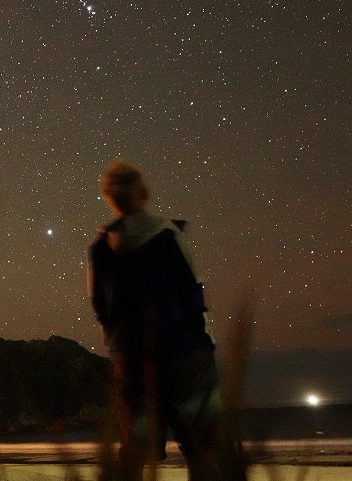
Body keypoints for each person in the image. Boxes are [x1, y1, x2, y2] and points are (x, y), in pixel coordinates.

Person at [88, 159, 222, 481]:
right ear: (143, 193)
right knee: (202, 453)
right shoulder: (167, 235)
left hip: (131, 360)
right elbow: (193, 293)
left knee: (132, 459)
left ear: (110, 199)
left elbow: (100, 308)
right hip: (184, 355)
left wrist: (117, 346)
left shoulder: (100, 249)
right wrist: (204, 340)